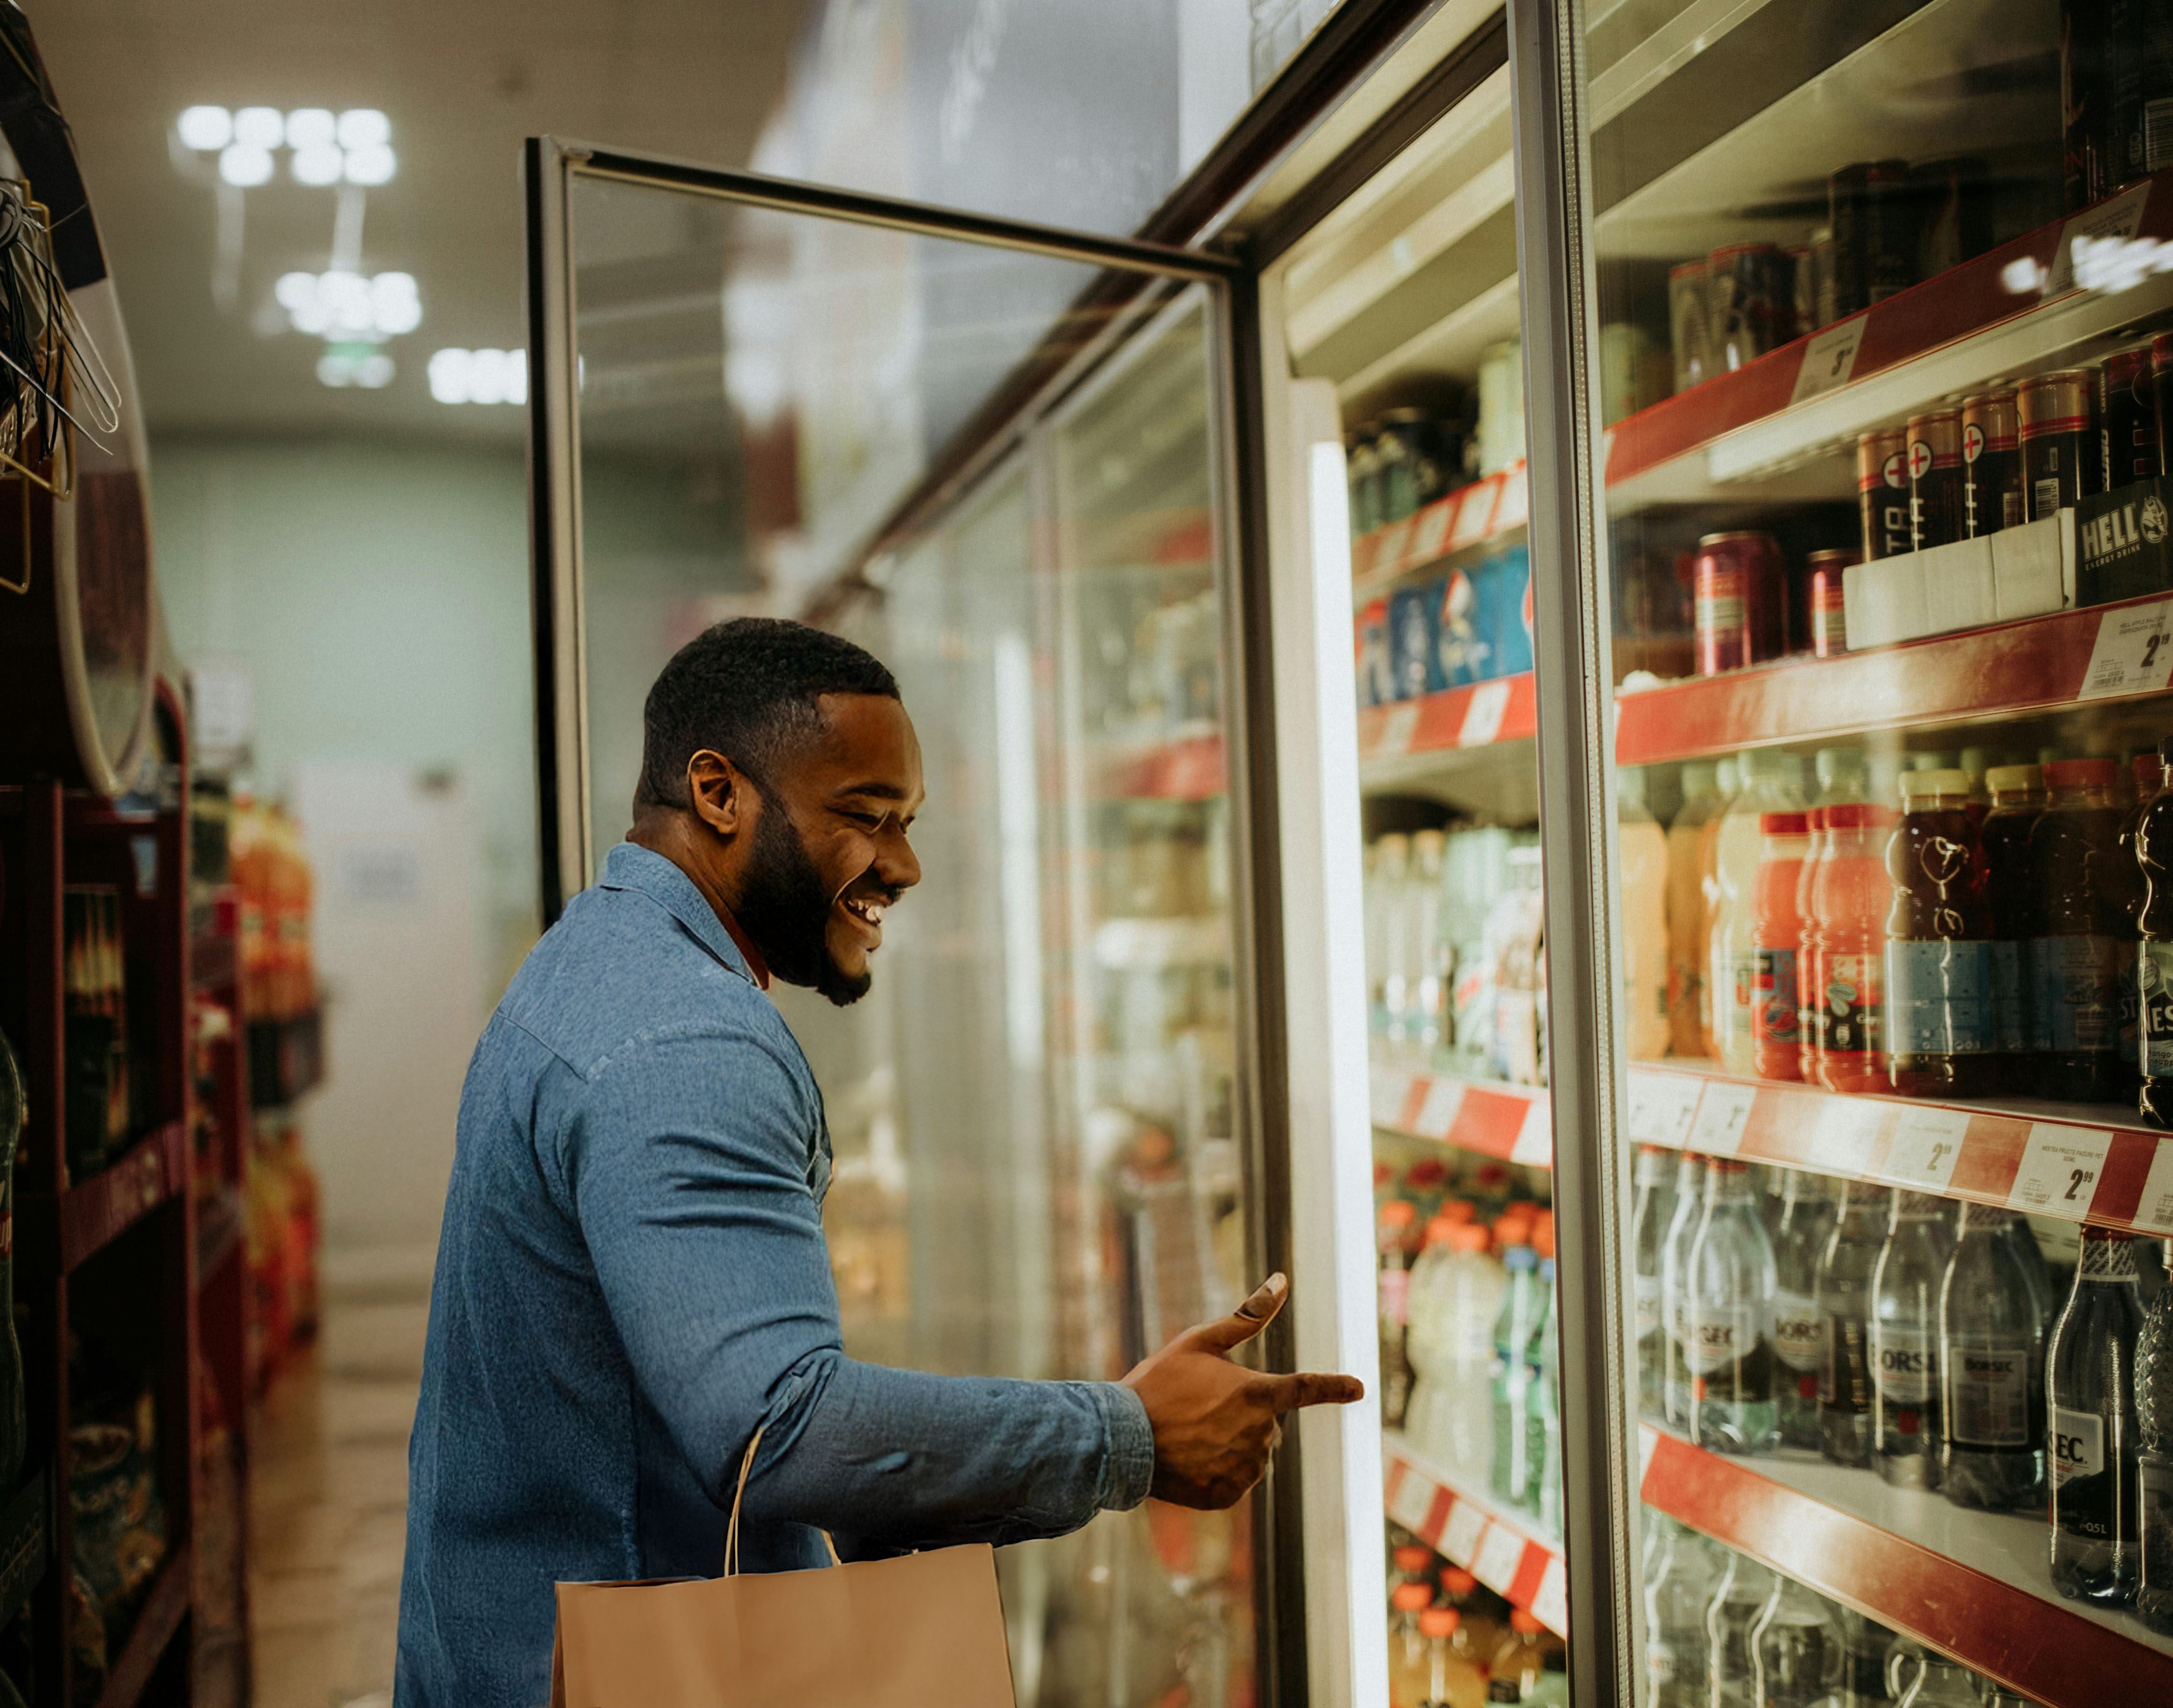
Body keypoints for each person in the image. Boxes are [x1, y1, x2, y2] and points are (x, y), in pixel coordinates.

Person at [394, 618, 1362, 1706]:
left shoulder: (596, 959)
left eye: (906, 823)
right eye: (863, 817)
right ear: (719, 793)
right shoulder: (686, 1041)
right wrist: (1126, 1435)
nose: (901, 865)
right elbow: (780, 1433)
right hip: (625, 1667)